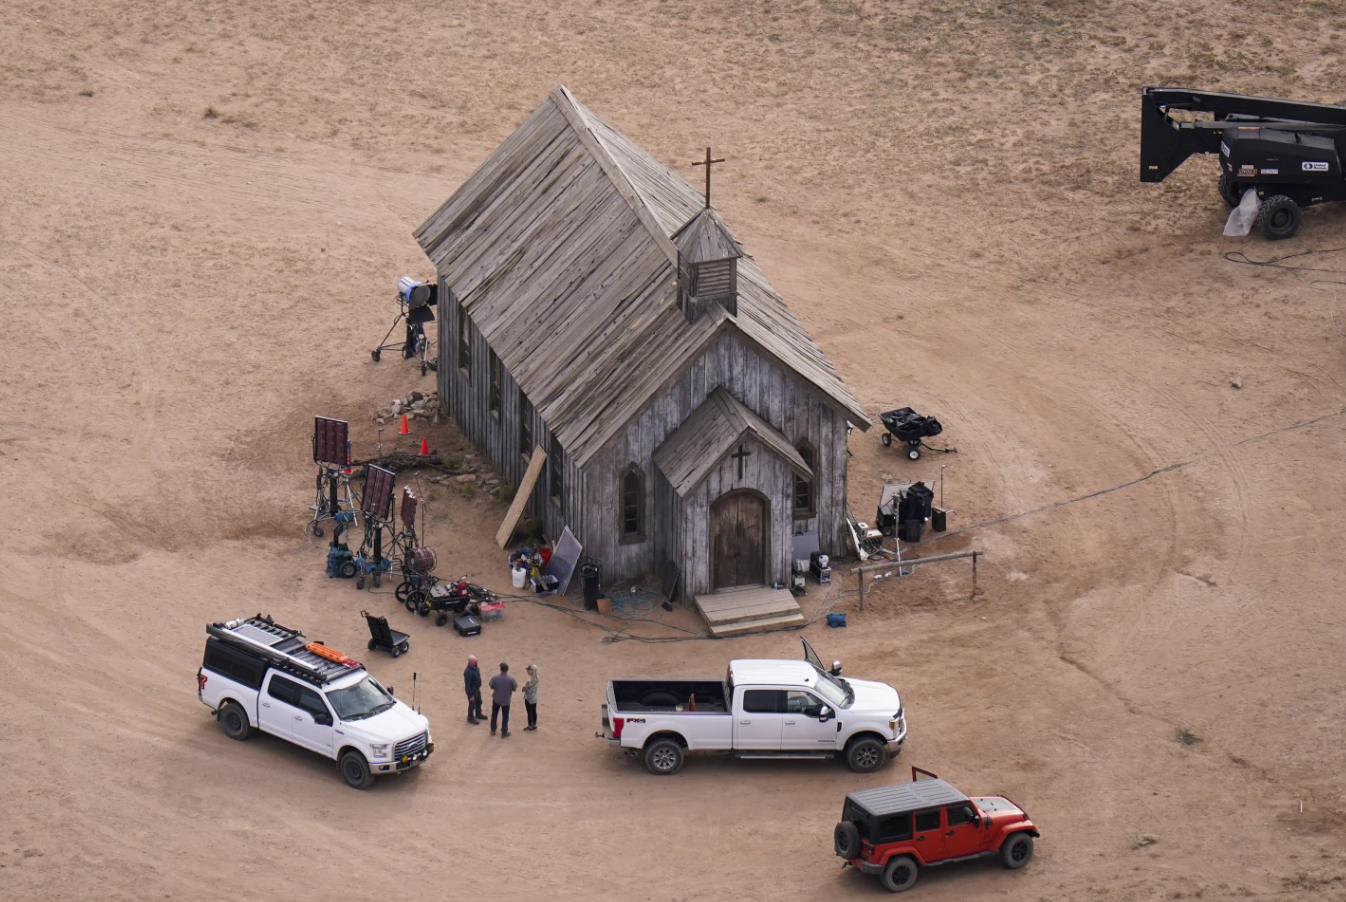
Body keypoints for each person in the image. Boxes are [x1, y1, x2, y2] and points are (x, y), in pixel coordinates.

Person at [488, 661, 518, 737]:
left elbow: (491, 686)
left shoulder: (495, 678)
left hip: (496, 699)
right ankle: (504, 732)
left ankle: (493, 730)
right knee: (505, 716)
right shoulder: (511, 679)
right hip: (506, 700)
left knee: (494, 714)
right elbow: (514, 688)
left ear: (500, 669)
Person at [463, 656, 485, 725]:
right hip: (472, 690)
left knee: (479, 701)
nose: (476, 663)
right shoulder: (468, 672)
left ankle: (478, 713)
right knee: (472, 704)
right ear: (470, 662)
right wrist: (470, 695)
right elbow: (467, 684)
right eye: (474, 662)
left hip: (477, 688)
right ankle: (470, 717)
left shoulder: (476, 668)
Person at [523, 664, 539, 732]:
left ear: (532, 671)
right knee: (534, 711)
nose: (527, 671)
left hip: (528, 698)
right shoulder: (537, 678)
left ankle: (530, 726)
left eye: (529, 670)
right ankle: (534, 725)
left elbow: (524, 689)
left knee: (529, 712)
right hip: (534, 698)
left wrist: (524, 688)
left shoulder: (529, 681)